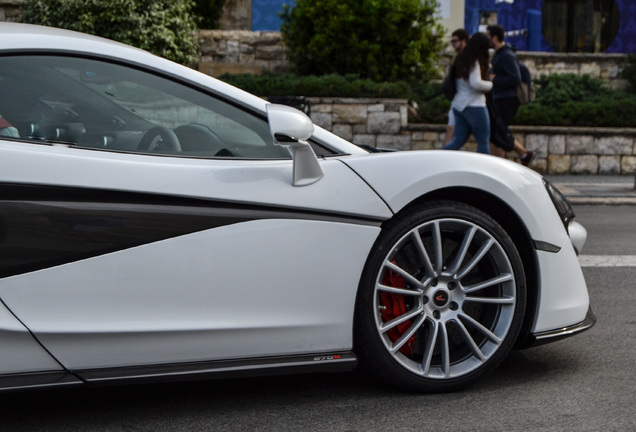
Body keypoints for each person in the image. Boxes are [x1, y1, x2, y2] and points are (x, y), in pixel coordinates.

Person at [486, 25, 534, 166]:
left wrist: (495, 80)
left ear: (495, 37)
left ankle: (503, 165)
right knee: (497, 132)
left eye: (488, 36)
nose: (486, 39)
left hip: (507, 99)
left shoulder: (506, 55)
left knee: (498, 134)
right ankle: (522, 154)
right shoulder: (500, 54)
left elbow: (515, 78)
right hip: (501, 98)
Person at [443, 32, 493, 155]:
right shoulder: (474, 61)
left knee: (457, 141)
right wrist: (490, 84)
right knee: (483, 141)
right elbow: (475, 83)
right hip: (475, 106)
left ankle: (437, 161)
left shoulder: (460, 58)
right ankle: (484, 169)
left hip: (459, 106)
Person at [444, 29, 470, 146]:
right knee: (451, 130)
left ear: (463, 41)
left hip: (466, 102)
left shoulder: (469, 59)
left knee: (484, 136)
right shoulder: (459, 58)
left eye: (455, 41)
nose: (453, 45)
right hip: (459, 101)